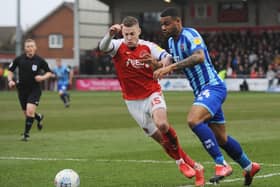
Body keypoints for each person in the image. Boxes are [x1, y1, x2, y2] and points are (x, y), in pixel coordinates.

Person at [153, 7, 260, 186]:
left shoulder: (190, 34)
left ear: (178, 21)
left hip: (212, 86)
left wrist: (170, 67)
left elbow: (199, 57)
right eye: (161, 24)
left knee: (194, 121)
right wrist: (157, 64)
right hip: (202, 91)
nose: (163, 28)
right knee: (221, 138)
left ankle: (221, 164)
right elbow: (169, 61)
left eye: (167, 23)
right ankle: (249, 166)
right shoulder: (171, 42)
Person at [99, 16, 204, 186]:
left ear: (138, 31)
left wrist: (157, 63)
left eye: (132, 34)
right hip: (132, 103)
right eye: (125, 34)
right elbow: (103, 47)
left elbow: (167, 59)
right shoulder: (118, 46)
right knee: (163, 141)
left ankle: (182, 164)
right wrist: (110, 34)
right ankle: (192, 166)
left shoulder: (148, 46)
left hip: (152, 94)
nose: (129, 38)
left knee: (162, 125)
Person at [7, 38, 53, 141]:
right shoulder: (19, 59)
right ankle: (39, 117)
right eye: (28, 46)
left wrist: (42, 77)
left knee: (30, 111)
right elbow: (10, 71)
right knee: (27, 114)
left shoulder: (40, 60)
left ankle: (26, 134)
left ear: (35, 48)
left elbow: (49, 72)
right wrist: (10, 80)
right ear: (25, 48)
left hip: (34, 89)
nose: (30, 48)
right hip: (22, 90)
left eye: (32, 46)